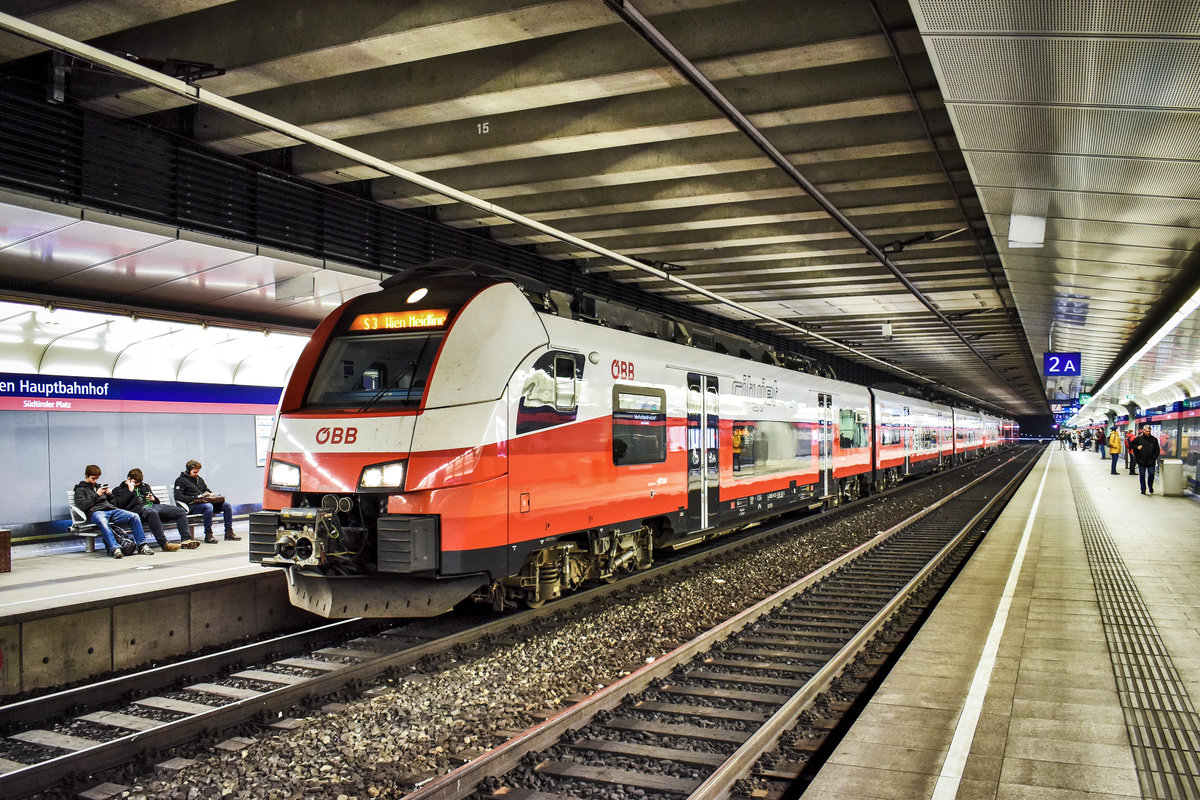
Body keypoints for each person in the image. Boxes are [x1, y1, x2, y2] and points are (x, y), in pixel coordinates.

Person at [73, 465, 151, 559]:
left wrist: (109, 495)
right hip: (96, 512)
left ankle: (142, 545)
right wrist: (96, 495)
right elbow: (83, 505)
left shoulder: (99, 487)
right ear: (86, 475)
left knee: (134, 516)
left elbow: (114, 503)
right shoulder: (80, 490)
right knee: (103, 522)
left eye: (97, 479)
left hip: (111, 509)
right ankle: (115, 548)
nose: (95, 481)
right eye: (93, 478)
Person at [113, 468, 198, 551]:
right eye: (135, 482)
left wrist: (153, 499)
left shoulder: (145, 486)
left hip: (153, 507)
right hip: (138, 510)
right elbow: (120, 505)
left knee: (180, 511)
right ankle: (164, 543)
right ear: (129, 479)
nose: (137, 484)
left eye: (139, 482)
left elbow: (157, 501)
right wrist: (130, 491)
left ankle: (186, 539)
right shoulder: (119, 490)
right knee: (152, 512)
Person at [174, 459, 239, 543]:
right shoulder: (180, 480)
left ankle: (229, 532)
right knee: (208, 507)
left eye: (198, 472)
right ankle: (208, 534)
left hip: (203, 503)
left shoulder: (199, 479)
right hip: (191, 506)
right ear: (188, 470)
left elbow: (206, 489)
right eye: (194, 472)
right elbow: (179, 497)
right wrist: (196, 497)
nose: (196, 474)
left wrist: (211, 495)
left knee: (226, 505)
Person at [1132, 426, 1161, 495]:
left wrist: (1154, 458)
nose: (1148, 433)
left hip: (1151, 461)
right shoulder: (1139, 439)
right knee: (1142, 475)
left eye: (1149, 431)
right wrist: (1137, 447)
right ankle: (1143, 489)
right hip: (1141, 460)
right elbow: (1132, 445)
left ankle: (1150, 486)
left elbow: (1157, 450)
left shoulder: (1154, 439)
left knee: (1151, 474)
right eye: (1146, 431)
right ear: (1143, 431)